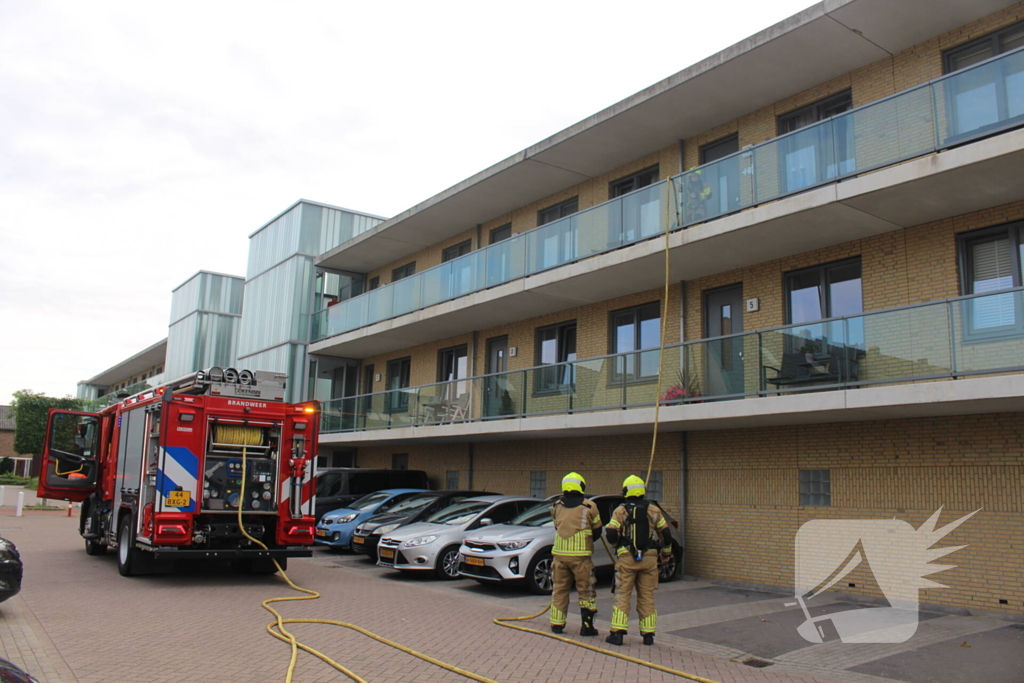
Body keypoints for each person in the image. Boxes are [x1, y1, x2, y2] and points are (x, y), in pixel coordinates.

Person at [604, 474, 673, 646]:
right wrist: (666, 552)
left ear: (626, 491)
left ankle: (617, 633)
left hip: (627, 558)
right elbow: (665, 533)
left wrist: (616, 546)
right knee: (647, 596)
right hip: (649, 559)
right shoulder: (653, 510)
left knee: (622, 595)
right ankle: (648, 635)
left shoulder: (620, 510)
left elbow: (611, 532)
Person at [549, 472, 603, 636]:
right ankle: (587, 627)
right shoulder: (589, 506)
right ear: (581, 486)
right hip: (581, 558)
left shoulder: (556, 505)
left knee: (559, 590)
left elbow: (557, 526)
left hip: (559, 556)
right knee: (586, 591)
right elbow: (598, 530)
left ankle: (557, 625)